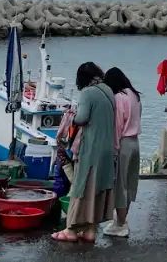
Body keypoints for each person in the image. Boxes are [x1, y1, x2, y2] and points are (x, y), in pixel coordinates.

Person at [52, 62, 115, 244]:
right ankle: (90, 230)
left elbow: (81, 118)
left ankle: (71, 230)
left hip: (91, 148)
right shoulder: (108, 90)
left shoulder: (88, 93)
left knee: (81, 187)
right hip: (107, 148)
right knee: (97, 189)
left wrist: (70, 115)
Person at [102, 67, 142, 238]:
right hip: (135, 142)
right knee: (130, 183)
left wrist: (114, 148)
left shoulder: (119, 98)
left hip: (124, 142)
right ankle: (122, 220)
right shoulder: (134, 95)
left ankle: (120, 223)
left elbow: (118, 125)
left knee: (120, 185)